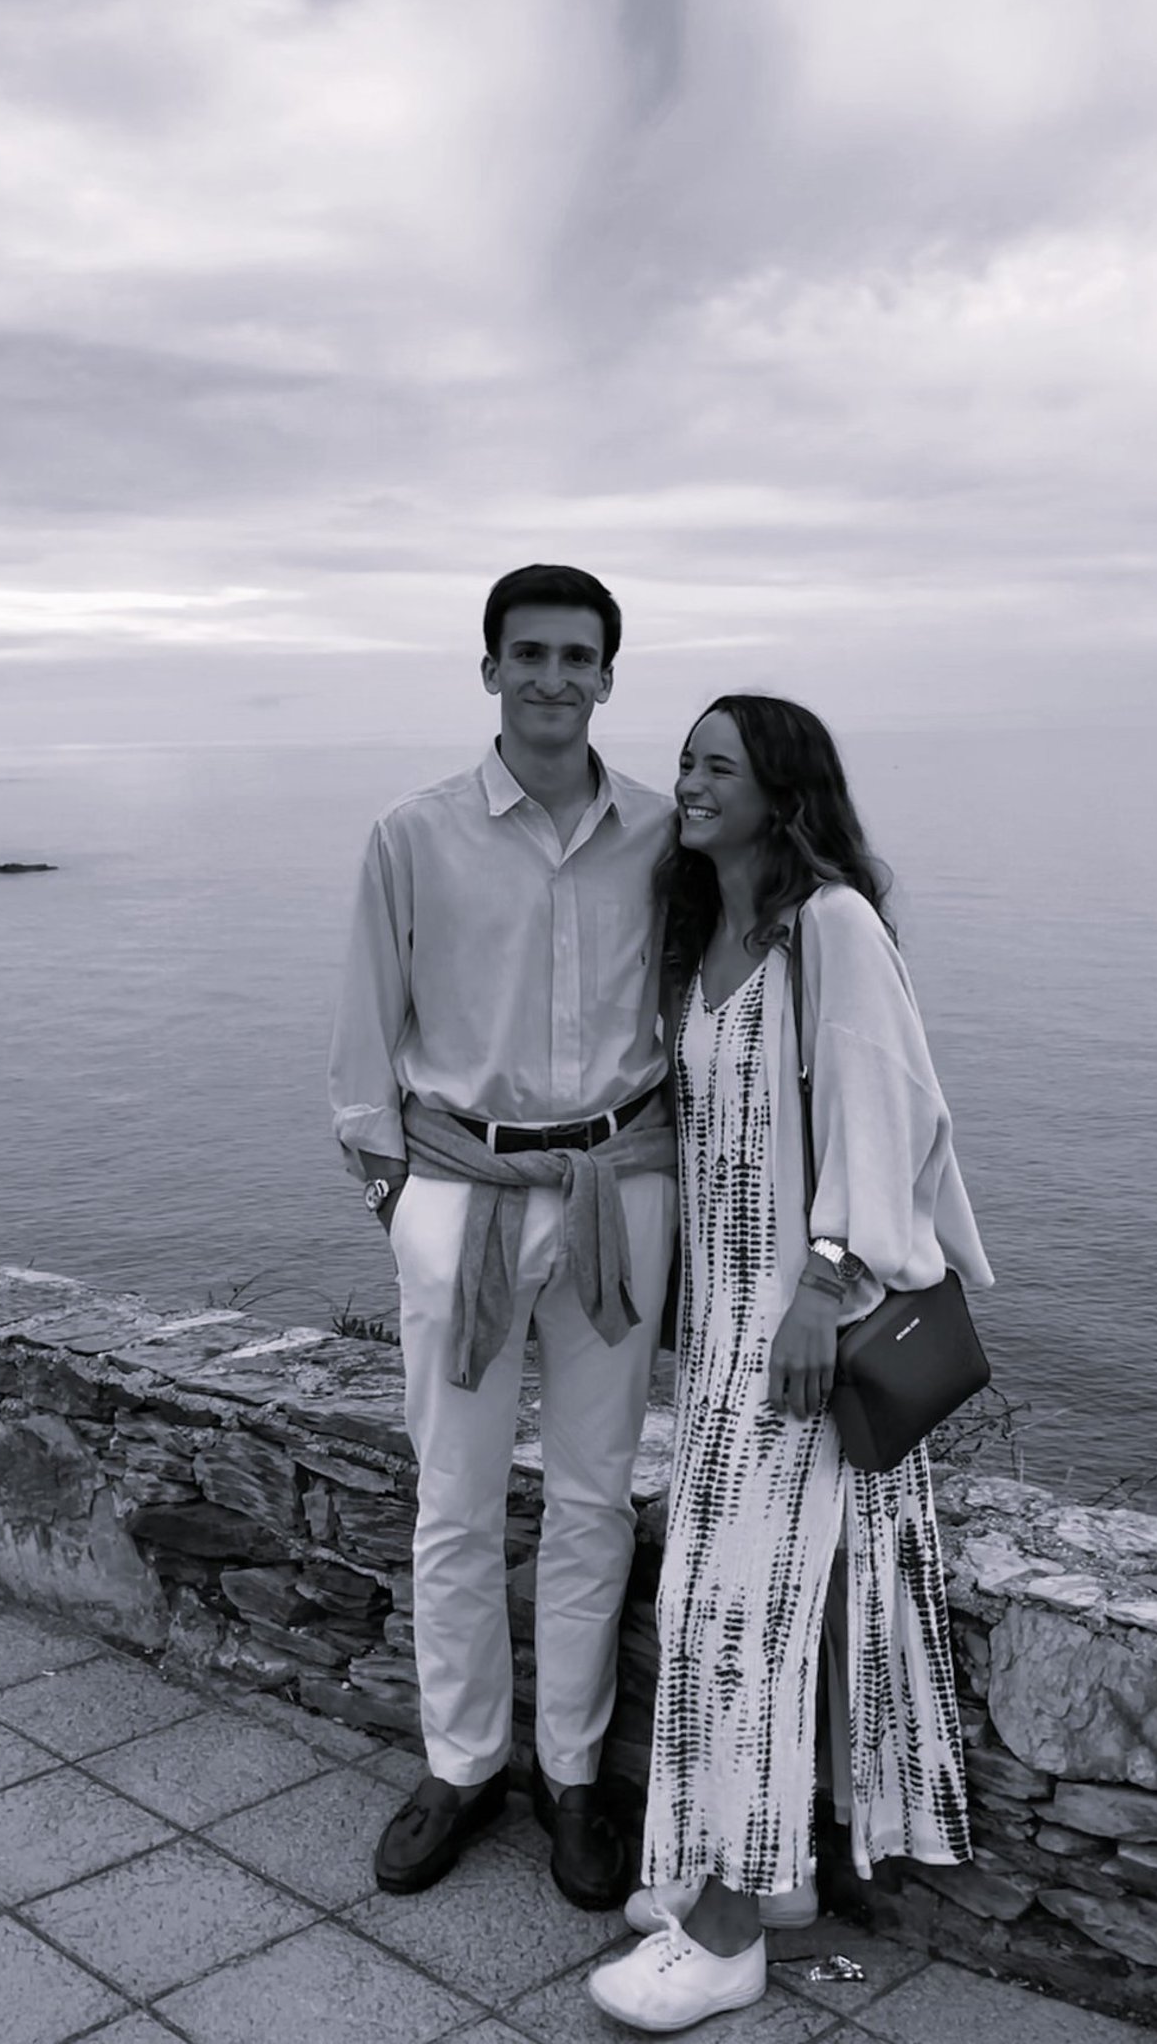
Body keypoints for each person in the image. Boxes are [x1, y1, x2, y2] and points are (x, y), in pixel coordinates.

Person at [588, 694, 993, 2033]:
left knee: (728, 1625)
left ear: (783, 792)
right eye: (687, 763)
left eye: (721, 767)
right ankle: (744, 1883)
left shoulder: (831, 929)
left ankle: (719, 1939)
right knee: (725, 1612)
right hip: (723, 1344)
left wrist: (826, 1281)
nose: (690, 784)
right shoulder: (707, 934)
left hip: (803, 1344)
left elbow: (892, 1110)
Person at [328, 565, 677, 1911]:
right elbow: (363, 1060)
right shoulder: (411, 835)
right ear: (488, 671)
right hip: (459, 1197)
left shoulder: (661, 831)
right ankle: (463, 1762)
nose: (551, 678)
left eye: (577, 656)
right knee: (456, 1503)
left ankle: (572, 1776)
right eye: (527, 653)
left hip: (615, 1193)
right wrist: (403, 1215)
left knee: (595, 1498)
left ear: (606, 674)